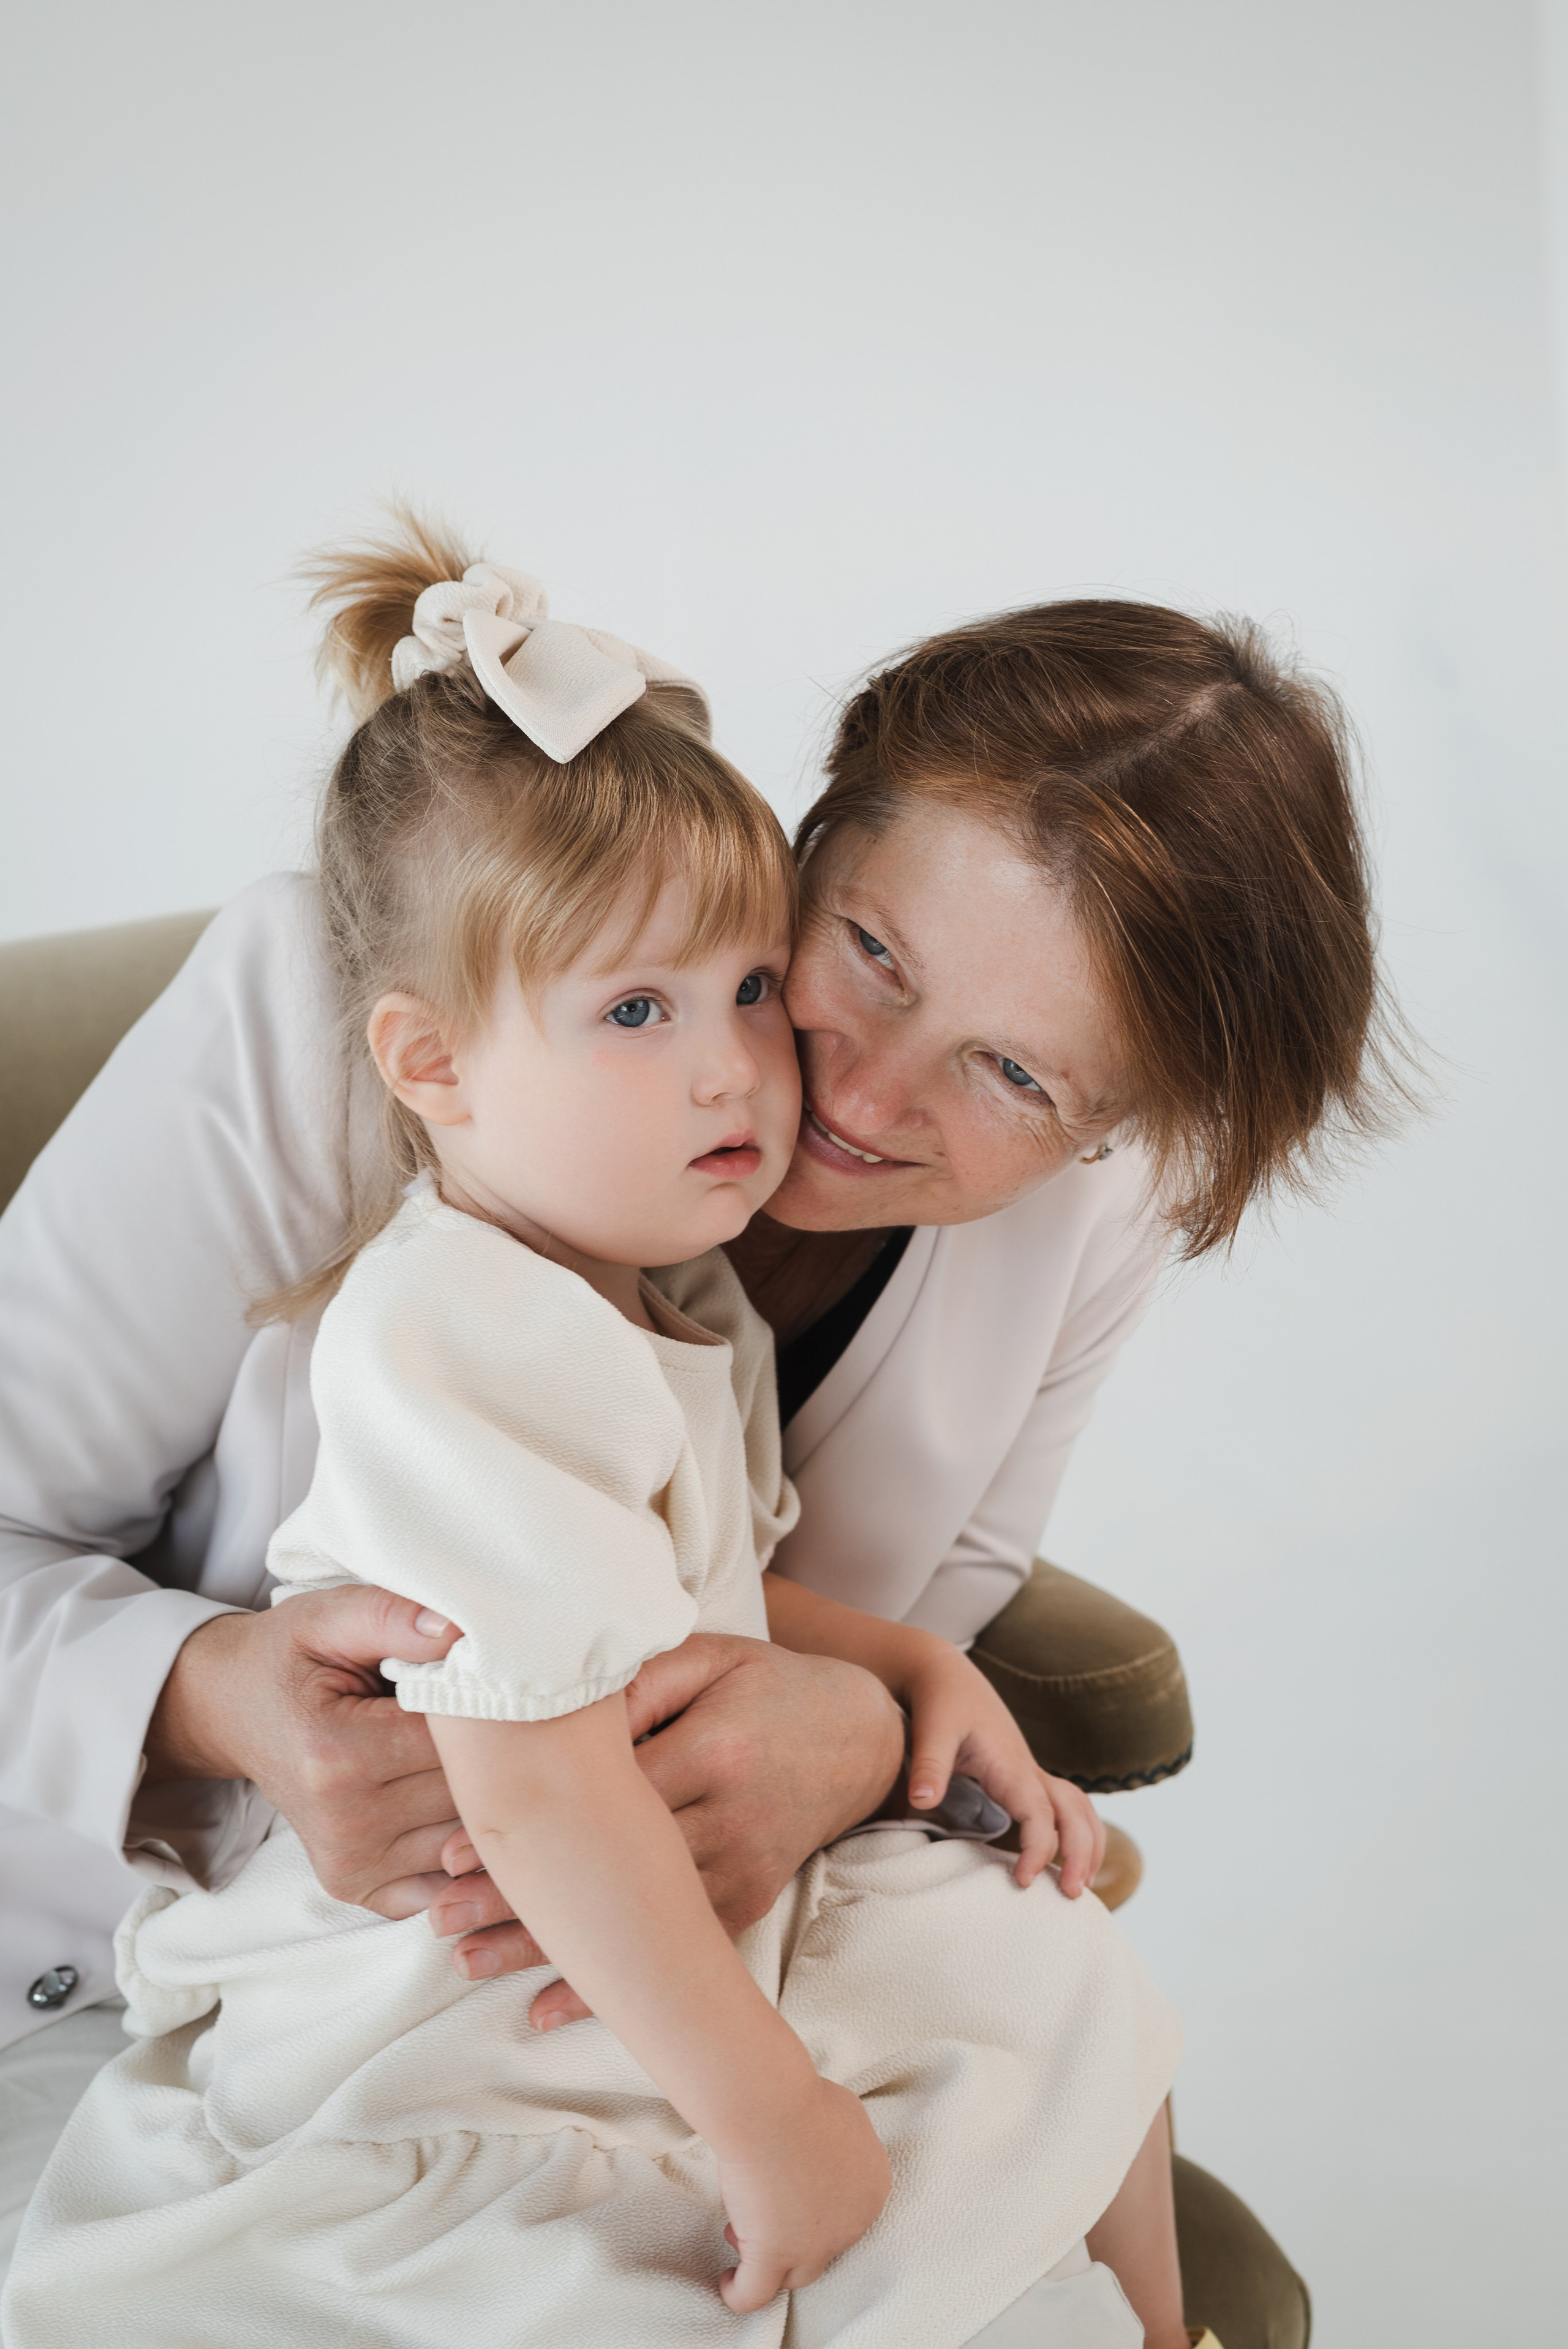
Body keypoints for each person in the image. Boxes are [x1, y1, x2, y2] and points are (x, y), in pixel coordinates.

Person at [0, 513, 1393, 2337]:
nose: (860, 1094)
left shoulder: (1057, 1224)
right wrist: (219, 1698)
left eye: (1020, 1073)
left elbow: (803, 1596)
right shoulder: (357, 1046)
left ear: (1114, 1128)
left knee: (1061, 2010)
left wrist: (869, 1705)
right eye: (876, 953)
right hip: (193, 1972)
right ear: (811, 828)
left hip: (661, 1987)